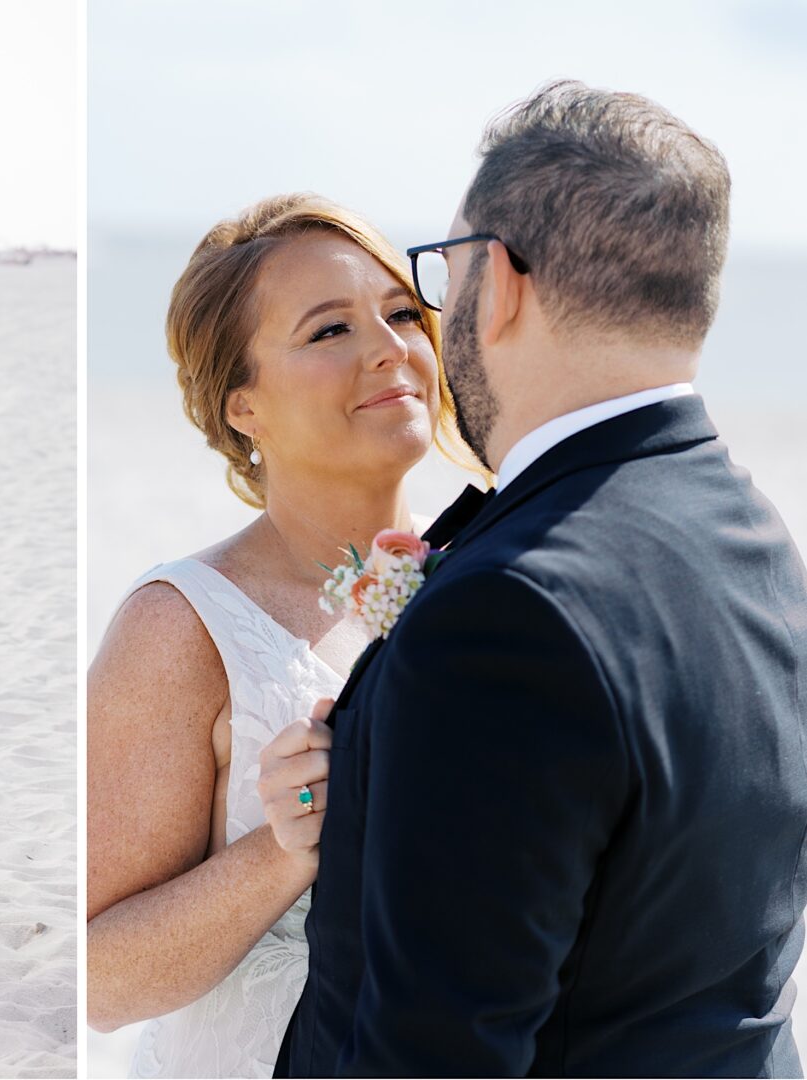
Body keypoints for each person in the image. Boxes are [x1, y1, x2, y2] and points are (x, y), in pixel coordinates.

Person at [274, 80, 807, 1077]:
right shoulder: (758, 540)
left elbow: (433, 1054)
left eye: (443, 272)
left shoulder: (505, 610)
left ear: (502, 282)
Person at [86, 194, 479, 1077]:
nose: (389, 348)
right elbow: (99, 980)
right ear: (242, 408)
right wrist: (285, 849)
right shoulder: (181, 624)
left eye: (401, 313)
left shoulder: (485, 580)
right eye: (329, 330)